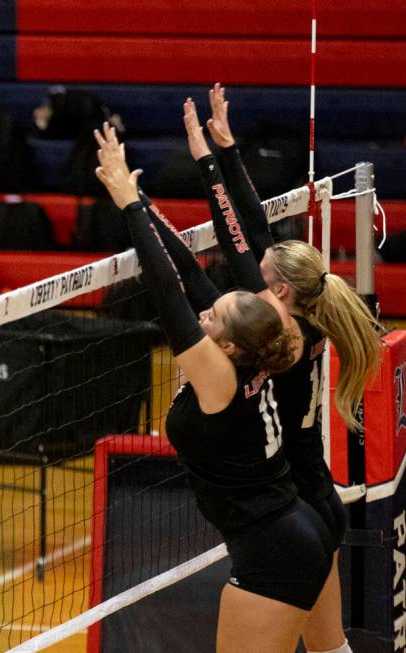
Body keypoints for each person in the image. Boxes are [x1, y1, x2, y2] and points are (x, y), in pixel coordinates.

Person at [94, 121, 335, 653]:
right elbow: (186, 271)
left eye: (212, 319)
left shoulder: (220, 379)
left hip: (275, 546)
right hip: (294, 526)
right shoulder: (252, 349)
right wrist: (135, 198)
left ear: (226, 345)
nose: (205, 313)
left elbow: (166, 291)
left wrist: (131, 208)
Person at [178, 84, 382, 653]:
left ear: (280, 290)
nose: (252, 281)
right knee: (330, 649)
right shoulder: (306, 314)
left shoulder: (275, 333)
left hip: (293, 511)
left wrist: (205, 160)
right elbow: (255, 234)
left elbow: (234, 233)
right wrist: (226, 148)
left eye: (261, 278)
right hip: (319, 501)